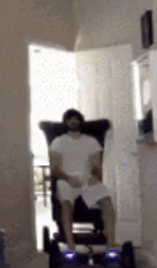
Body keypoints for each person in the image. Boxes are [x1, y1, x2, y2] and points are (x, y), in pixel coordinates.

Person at [48, 108, 118, 259]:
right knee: (66, 204)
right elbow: (55, 168)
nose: (73, 121)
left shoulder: (91, 142)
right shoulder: (58, 142)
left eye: (76, 118)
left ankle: (111, 246)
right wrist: (68, 178)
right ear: (65, 122)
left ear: (80, 121)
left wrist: (95, 177)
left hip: (87, 180)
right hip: (66, 180)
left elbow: (97, 166)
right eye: (70, 119)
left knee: (107, 201)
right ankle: (71, 246)